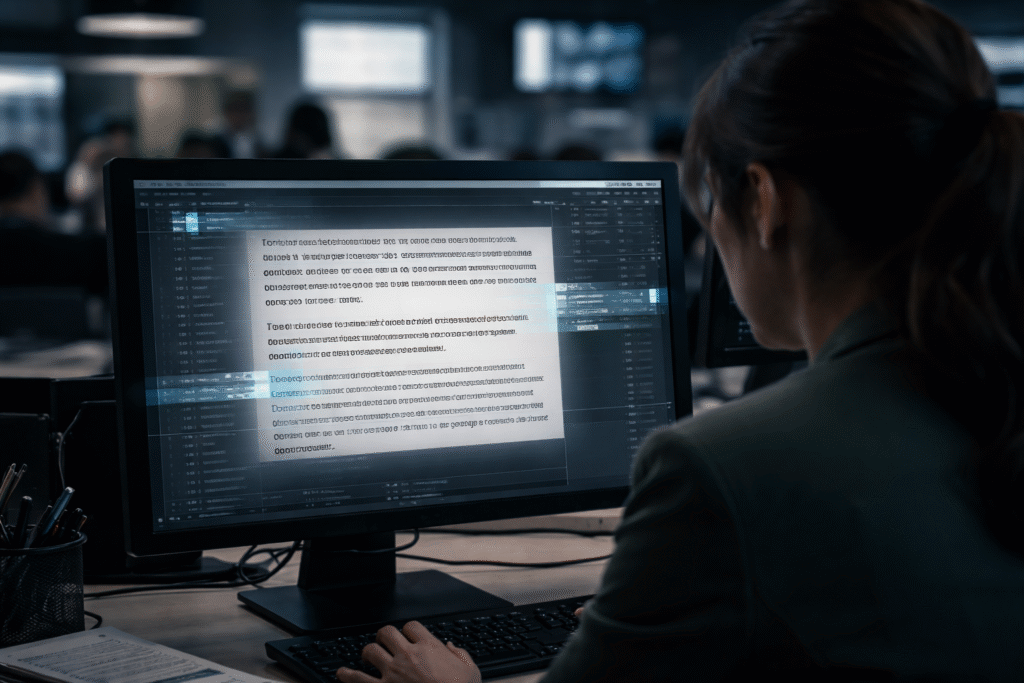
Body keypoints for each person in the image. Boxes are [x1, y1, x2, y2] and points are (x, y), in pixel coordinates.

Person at [336, 0, 1024, 680]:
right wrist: (650, 609)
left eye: (712, 199)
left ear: (763, 201)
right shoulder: (990, 389)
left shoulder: (724, 465)